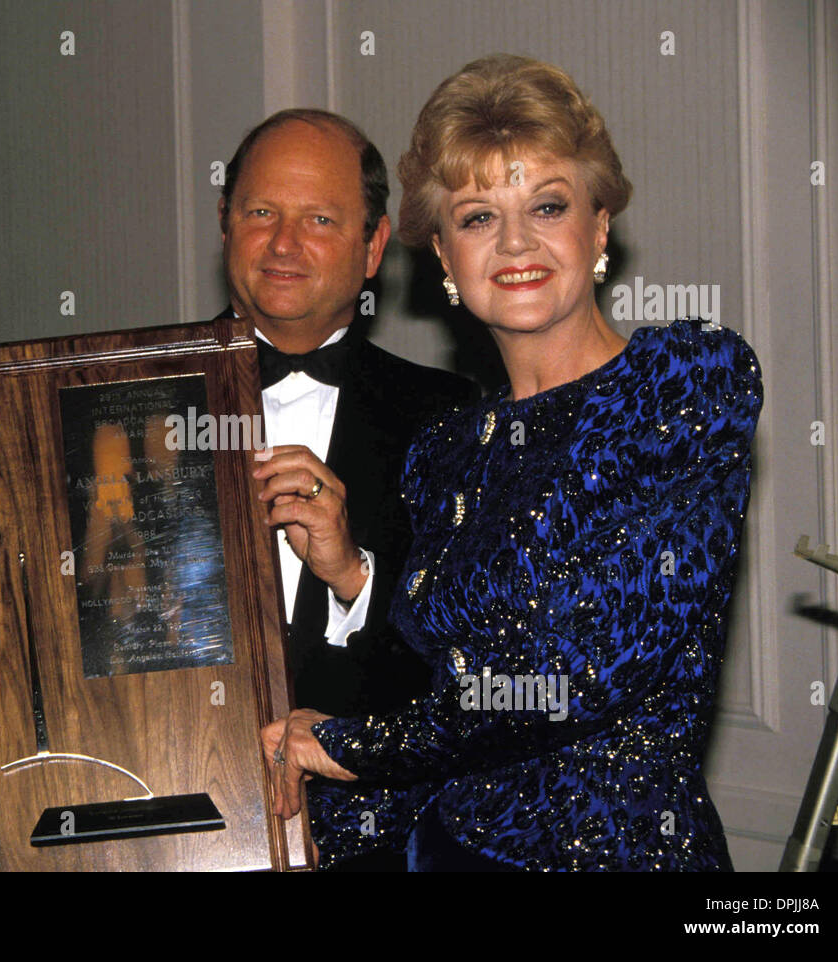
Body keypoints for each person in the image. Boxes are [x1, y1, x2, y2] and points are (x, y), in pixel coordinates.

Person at [261, 55, 763, 871]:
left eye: (548, 205)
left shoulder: (684, 385)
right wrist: (276, 808)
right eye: (478, 217)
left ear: (600, 226)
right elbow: (442, 711)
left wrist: (352, 744)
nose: (517, 243)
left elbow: (576, 672)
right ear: (443, 256)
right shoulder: (446, 451)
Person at [219, 109, 476, 731]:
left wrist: (352, 577)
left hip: (377, 815)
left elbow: (469, 675)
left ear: (373, 246)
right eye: (260, 213)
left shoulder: (451, 420)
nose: (283, 243)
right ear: (224, 226)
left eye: (320, 220)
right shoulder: (137, 402)